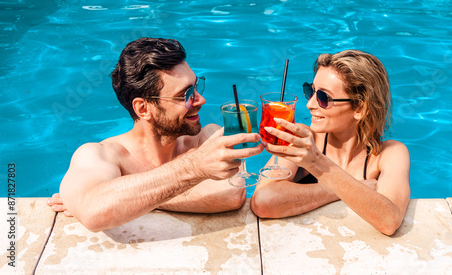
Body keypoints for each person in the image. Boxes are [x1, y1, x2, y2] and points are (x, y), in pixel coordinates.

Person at [48, 37, 263, 232]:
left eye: (196, 87)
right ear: (143, 109)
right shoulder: (100, 154)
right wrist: (195, 167)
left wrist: (135, 200)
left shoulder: (205, 138)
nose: (200, 100)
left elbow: (231, 193)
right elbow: (95, 212)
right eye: (184, 95)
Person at [250, 50, 410, 236]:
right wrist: (339, 189)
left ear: (359, 108)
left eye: (323, 98)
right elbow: (262, 201)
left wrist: (317, 163)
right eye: (310, 91)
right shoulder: (304, 138)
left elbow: (389, 221)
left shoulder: (389, 154)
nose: (310, 104)